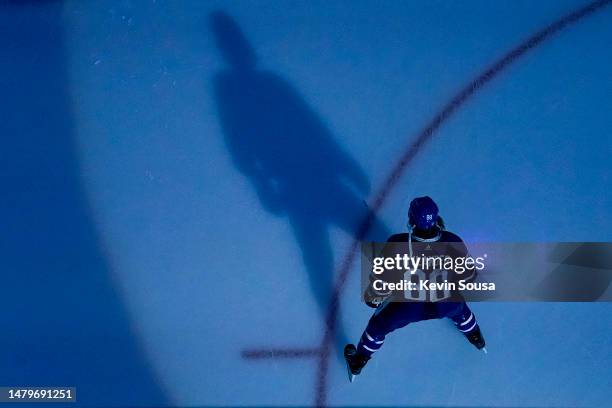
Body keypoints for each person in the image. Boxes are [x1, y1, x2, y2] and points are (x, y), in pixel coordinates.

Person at [344, 196, 486, 381]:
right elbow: (469, 277)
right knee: (460, 309)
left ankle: (358, 362)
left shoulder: (397, 244)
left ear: (411, 221)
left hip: (408, 307)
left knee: (377, 327)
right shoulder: (452, 240)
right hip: (445, 302)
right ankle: (476, 337)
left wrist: (373, 297)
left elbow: (382, 282)